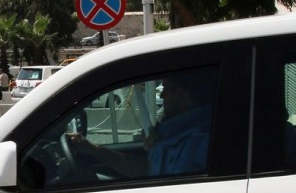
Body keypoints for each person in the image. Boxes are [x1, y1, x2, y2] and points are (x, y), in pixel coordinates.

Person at [70, 69, 216, 177]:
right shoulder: (180, 134)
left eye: (165, 88)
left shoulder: (199, 142)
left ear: (179, 91)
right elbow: (148, 169)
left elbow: (158, 178)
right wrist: (93, 149)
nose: (162, 94)